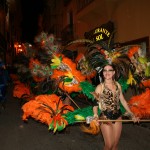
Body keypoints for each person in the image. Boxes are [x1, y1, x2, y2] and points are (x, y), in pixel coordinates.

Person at [92, 64, 139, 150]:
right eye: (105, 70)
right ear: (102, 73)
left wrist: (132, 114)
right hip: (105, 117)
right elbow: (95, 104)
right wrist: (95, 115)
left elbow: (123, 101)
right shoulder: (100, 87)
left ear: (113, 73)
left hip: (118, 117)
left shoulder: (117, 85)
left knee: (114, 146)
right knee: (109, 145)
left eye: (110, 70)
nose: (107, 72)